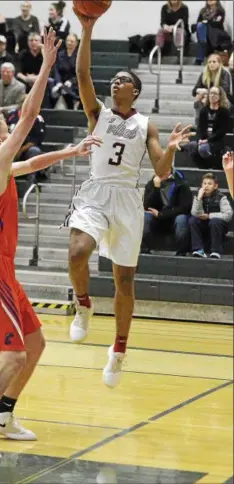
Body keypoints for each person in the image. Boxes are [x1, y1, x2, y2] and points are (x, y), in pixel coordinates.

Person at [0, 28, 101, 461]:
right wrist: (48, 66)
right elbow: (30, 116)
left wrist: (70, 152)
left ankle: (2, 416)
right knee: (13, 355)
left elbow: (31, 161)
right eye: (6, 129)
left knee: (34, 344)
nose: (11, 130)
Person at [65, 9, 193, 389]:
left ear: (133, 91)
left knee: (124, 281)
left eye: (122, 79)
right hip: (95, 190)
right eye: (115, 77)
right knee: (77, 252)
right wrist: (87, 31)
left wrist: (170, 148)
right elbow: (82, 75)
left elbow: (161, 170)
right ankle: (83, 303)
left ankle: (119, 350)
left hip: (126, 200)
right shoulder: (98, 113)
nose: (115, 80)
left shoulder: (146, 124)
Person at [141, 170, 192, 255]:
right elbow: (147, 206)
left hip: (173, 218)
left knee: (182, 219)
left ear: (170, 171)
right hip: (157, 219)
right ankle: (144, 250)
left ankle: (181, 253)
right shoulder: (151, 184)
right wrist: (156, 188)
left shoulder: (181, 184)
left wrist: (161, 214)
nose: (163, 172)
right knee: (145, 216)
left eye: (166, 169)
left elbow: (184, 208)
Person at [184, 86, 230, 169]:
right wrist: (200, 140)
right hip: (204, 140)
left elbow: (222, 131)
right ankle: (205, 166)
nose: (212, 95)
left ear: (220, 96)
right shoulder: (204, 110)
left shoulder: (224, 112)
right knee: (191, 146)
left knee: (203, 149)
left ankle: (215, 164)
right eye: (211, 93)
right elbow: (200, 128)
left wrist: (208, 140)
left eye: (215, 94)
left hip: (216, 141)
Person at [189, 172, 233, 258]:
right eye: (204, 183)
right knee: (192, 220)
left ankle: (216, 251)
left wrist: (210, 216)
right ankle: (198, 249)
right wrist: (199, 198)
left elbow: (228, 214)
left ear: (215, 186)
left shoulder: (221, 197)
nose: (206, 186)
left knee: (214, 221)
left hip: (218, 226)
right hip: (204, 224)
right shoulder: (198, 196)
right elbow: (194, 213)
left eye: (209, 184)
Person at [17, 32, 53, 108]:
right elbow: (18, 72)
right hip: (26, 81)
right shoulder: (23, 54)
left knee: (47, 83)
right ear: (27, 42)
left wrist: (36, 79)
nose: (33, 42)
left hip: (41, 80)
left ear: (40, 42)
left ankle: (45, 109)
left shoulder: (45, 54)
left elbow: (49, 71)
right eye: (31, 40)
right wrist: (27, 79)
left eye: (36, 40)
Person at [194, 0, 229, 65]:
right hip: (204, 33)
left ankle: (199, 59)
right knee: (201, 26)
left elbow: (217, 24)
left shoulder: (220, 10)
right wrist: (204, 23)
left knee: (202, 28)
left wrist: (205, 23)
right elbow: (198, 22)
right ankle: (203, 41)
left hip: (216, 32)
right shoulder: (203, 10)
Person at [52, 33, 79, 109]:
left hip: (74, 83)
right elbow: (56, 69)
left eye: (72, 41)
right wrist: (58, 82)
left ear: (76, 43)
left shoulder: (80, 55)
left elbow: (80, 73)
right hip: (61, 82)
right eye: (68, 41)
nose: (69, 43)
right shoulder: (60, 54)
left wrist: (71, 81)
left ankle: (74, 104)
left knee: (67, 91)